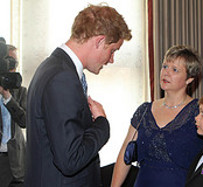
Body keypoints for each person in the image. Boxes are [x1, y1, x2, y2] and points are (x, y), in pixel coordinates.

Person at [111, 45, 203, 187]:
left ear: (190, 79)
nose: (166, 73)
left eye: (174, 69)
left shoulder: (199, 111)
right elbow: (125, 152)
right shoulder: (144, 111)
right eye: (164, 66)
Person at [24, 4, 132, 187]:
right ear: (99, 41)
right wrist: (101, 125)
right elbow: (70, 160)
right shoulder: (62, 78)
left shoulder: (53, 67)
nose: (111, 59)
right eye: (112, 50)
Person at [0, 42, 27, 187]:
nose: (12, 68)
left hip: (17, 162)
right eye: (9, 63)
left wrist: (7, 97)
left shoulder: (21, 91)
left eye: (15, 63)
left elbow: (25, 121)